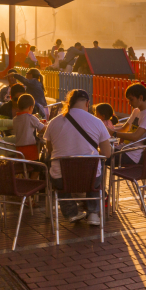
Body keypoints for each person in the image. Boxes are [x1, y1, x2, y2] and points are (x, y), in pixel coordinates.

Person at [44, 89, 112, 225]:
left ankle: (71, 212)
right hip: (90, 179)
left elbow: (50, 149)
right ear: (87, 103)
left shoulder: (54, 122)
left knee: (57, 171)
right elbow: (107, 153)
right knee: (98, 167)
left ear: (69, 103)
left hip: (62, 179)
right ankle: (93, 213)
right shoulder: (97, 122)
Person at [113, 83, 146, 165]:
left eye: (131, 99)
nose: (129, 103)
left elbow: (135, 137)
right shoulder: (136, 111)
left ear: (140, 98)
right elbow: (124, 129)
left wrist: (114, 133)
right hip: (125, 148)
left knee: (103, 157)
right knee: (102, 151)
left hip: (134, 155)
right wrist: (106, 129)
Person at [12, 94, 47, 160]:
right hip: (30, 148)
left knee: (24, 167)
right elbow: (43, 129)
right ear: (30, 107)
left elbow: (25, 125)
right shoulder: (31, 118)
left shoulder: (15, 119)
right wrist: (46, 125)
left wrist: (37, 122)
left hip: (18, 149)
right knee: (35, 166)